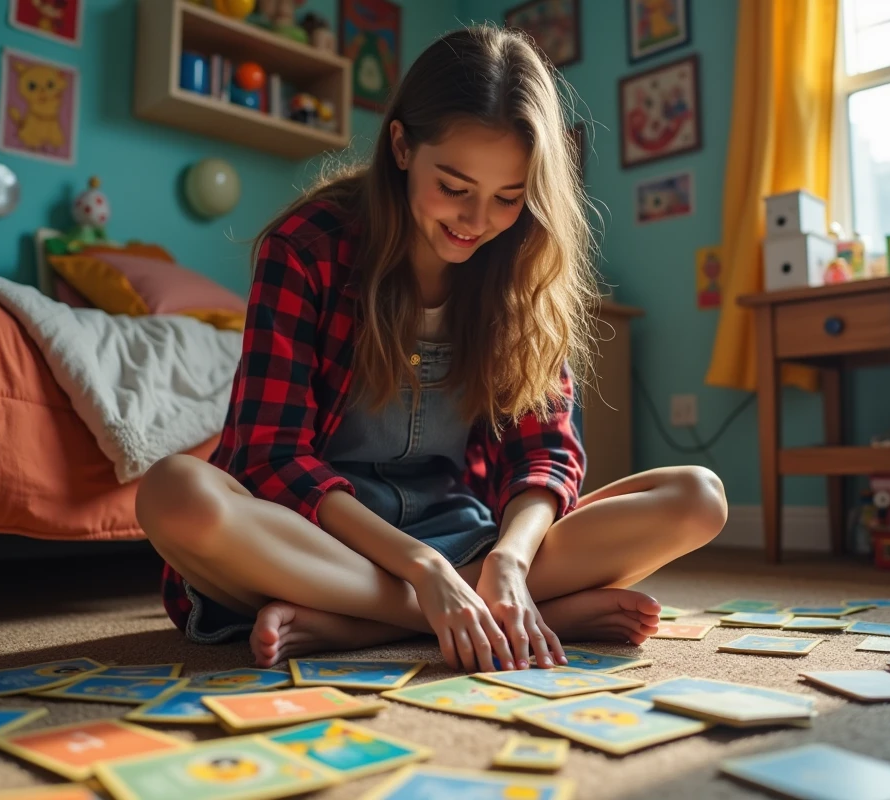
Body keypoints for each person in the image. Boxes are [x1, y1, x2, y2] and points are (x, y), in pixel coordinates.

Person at [136, 25, 727, 674]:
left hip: (462, 533)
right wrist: (423, 571)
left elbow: (544, 453)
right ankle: (467, 612)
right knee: (175, 493)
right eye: (453, 186)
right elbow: (271, 457)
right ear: (401, 146)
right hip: (318, 539)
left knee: (699, 497)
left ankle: (370, 621)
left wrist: (510, 559)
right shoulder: (306, 247)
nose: (476, 221)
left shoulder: (521, 265)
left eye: (508, 197)